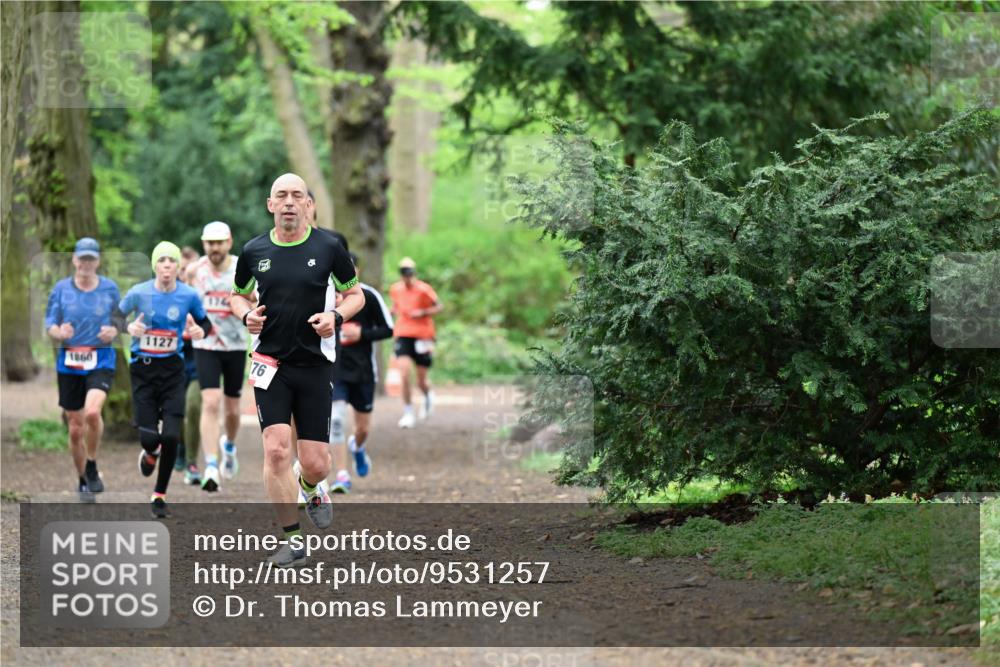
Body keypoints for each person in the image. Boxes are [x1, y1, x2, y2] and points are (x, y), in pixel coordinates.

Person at [230, 172, 364, 567]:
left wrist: (335, 317)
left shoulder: (328, 248)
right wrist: (246, 316)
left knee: (317, 462)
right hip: (269, 363)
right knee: (274, 450)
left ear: (307, 204)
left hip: (314, 365)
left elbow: (355, 294)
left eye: (297, 196)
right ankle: (291, 539)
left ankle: (310, 486)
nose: (289, 202)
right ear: (270, 204)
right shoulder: (253, 250)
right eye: (281, 196)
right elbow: (237, 297)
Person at [119, 241, 212, 518]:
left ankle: (159, 494)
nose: (167, 266)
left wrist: (200, 333)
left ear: (178, 267)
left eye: (172, 261)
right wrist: (129, 327)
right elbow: (114, 317)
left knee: (172, 436)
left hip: (173, 372)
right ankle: (150, 452)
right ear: (155, 266)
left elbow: (205, 323)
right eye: (162, 261)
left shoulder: (188, 295)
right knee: (150, 438)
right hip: (143, 371)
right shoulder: (138, 293)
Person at [44, 237, 122, 502]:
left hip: (100, 361)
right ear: (75, 260)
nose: (86, 263)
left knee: (91, 412)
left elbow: (120, 320)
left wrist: (113, 329)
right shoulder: (61, 289)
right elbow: (50, 324)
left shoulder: (110, 289)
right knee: (75, 428)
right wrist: (59, 332)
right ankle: (82, 480)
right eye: (82, 258)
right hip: (69, 365)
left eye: (91, 258)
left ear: (97, 261)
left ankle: (92, 464)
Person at [187, 221, 250, 491]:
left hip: (235, 345)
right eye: (210, 243)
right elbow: (187, 302)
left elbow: (256, 300)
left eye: (219, 243)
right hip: (206, 345)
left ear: (229, 242)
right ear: (204, 244)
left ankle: (230, 446)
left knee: (233, 409)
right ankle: (211, 464)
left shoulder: (241, 269)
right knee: (210, 402)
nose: (214, 248)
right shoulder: (194, 271)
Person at [328, 253, 393, 493]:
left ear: (358, 270)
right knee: (335, 420)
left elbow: (388, 329)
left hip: (364, 371)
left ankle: (357, 446)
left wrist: (362, 334)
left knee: (363, 428)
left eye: (350, 269)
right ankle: (342, 475)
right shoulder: (326, 296)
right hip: (335, 370)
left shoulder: (369, 296)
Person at [388, 257, 442, 428]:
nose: (407, 276)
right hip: (403, 333)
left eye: (409, 272)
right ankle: (408, 412)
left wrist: (423, 312)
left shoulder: (424, 289)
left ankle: (428, 395)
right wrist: (391, 312)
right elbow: (397, 306)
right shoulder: (395, 289)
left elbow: (439, 306)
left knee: (421, 380)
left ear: (414, 272)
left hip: (423, 335)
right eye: (404, 273)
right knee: (403, 374)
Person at [174, 246, 201, 479]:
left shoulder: (200, 298)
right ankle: (180, 448)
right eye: (180, 269)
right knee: (176, 411)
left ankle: (192, 462)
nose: (183, 274)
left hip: (199, 363)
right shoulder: (166, 296)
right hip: (172, 364)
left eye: (188, 270)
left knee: (192, 407)